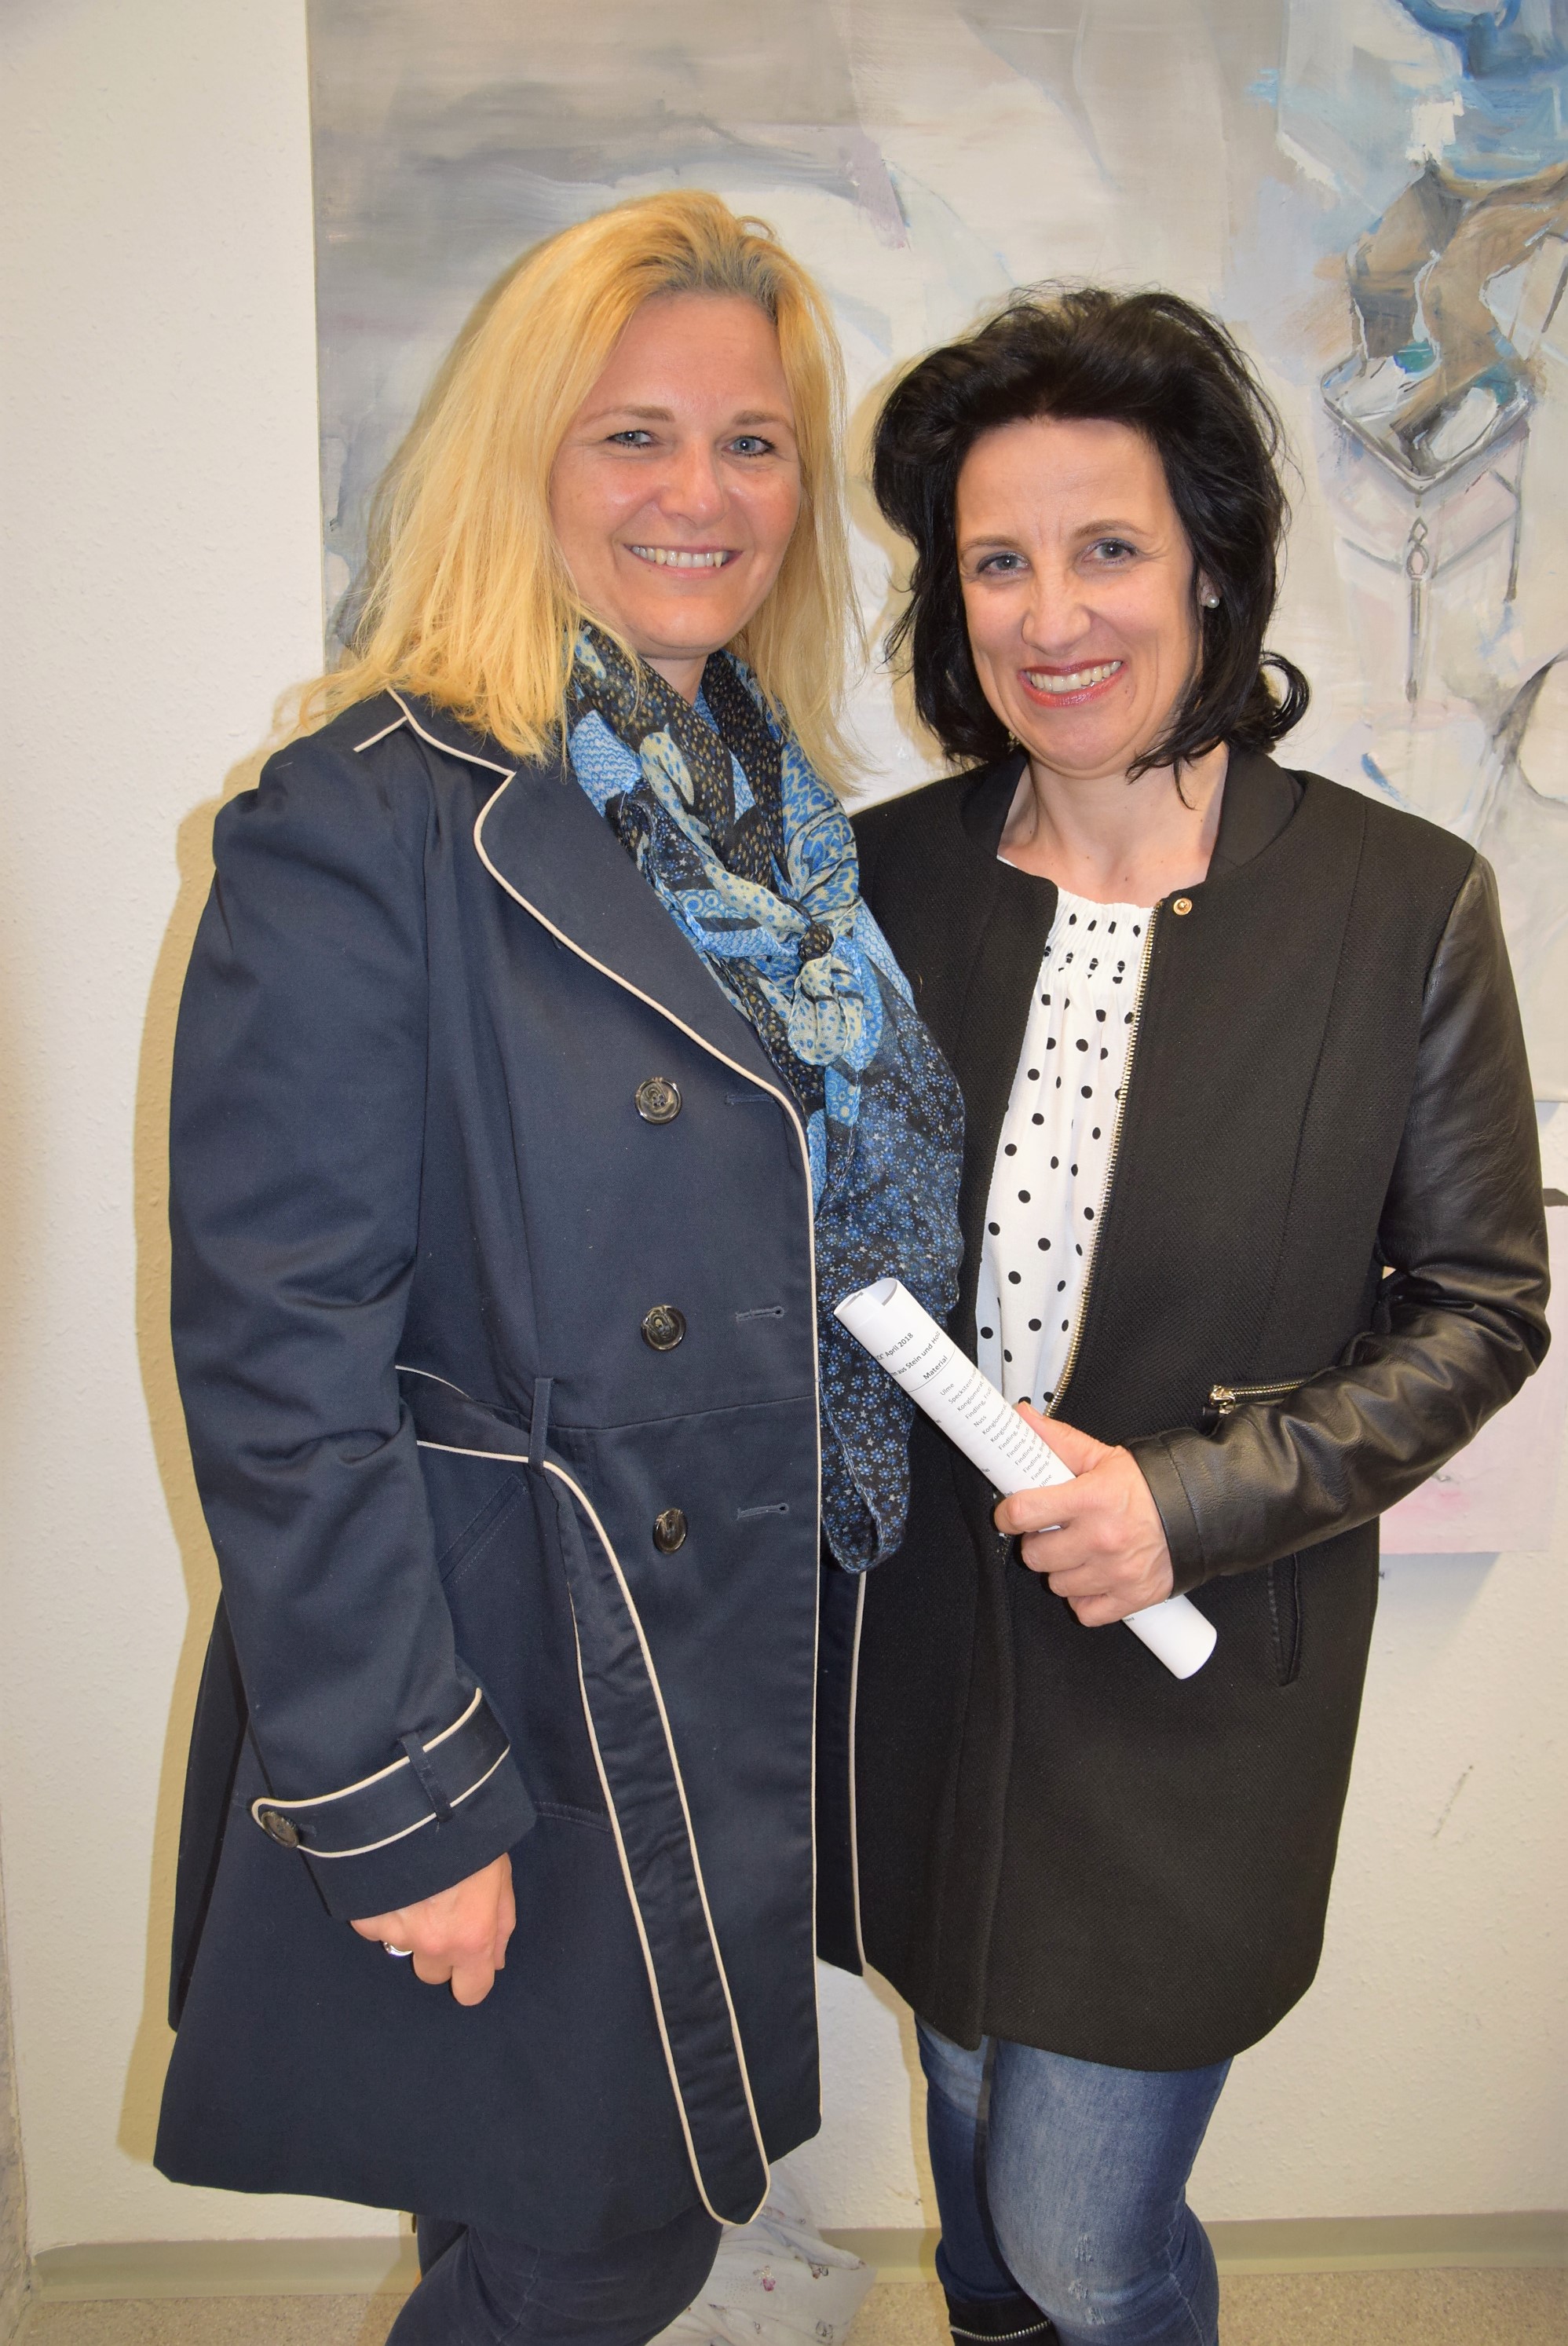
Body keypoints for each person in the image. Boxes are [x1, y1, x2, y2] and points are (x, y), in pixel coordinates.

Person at [155, 190, 962, 2346]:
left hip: (735, 1637)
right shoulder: (370, 814)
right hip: (522, 1666)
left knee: (557, 2219)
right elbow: (281, 1352)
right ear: (521, 455)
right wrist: (407, 1800)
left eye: (753, 440)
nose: (704, 492)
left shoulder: (777, 820)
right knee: (591, 2249)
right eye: (634, 435)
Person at [814, 287, 1550, 2346]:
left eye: (1106, 547)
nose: (1049, 614)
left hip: (1195, 1671)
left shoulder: (1394, 903)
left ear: (1209, 565)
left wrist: (1183, 1497)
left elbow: (1481, 1303)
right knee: (972, 2165)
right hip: (925, 1666)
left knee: (1077, 2234)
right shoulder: (873, 885)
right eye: (995, 561)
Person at [1339, 2, 1568, 471]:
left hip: (1537, 179)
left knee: (1448, 290)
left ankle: (1494, 386)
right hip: (1460, 166)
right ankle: (1407, 359)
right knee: (1373, 260)